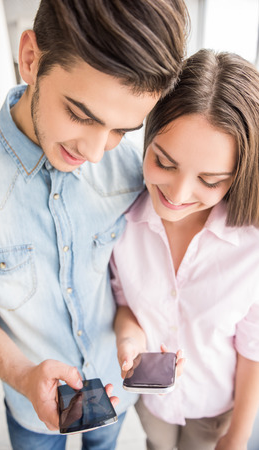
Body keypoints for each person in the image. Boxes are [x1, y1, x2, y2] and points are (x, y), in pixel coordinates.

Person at [0, 0, 189, 449]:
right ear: (30, 58)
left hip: (115, 396)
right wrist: (23, 375)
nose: (97, 151)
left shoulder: (134, 168)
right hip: (30, 409)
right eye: (82, 115)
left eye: (122, 130)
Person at [111, 48, 259, 450]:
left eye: (209, 181)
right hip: (153, 403)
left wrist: (238, 434)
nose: (176, 195)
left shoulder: (251, 251)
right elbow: (125, 303)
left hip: (214, 410)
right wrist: (129, 342)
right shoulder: (121, 223)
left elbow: (253, 350)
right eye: (164, 161)